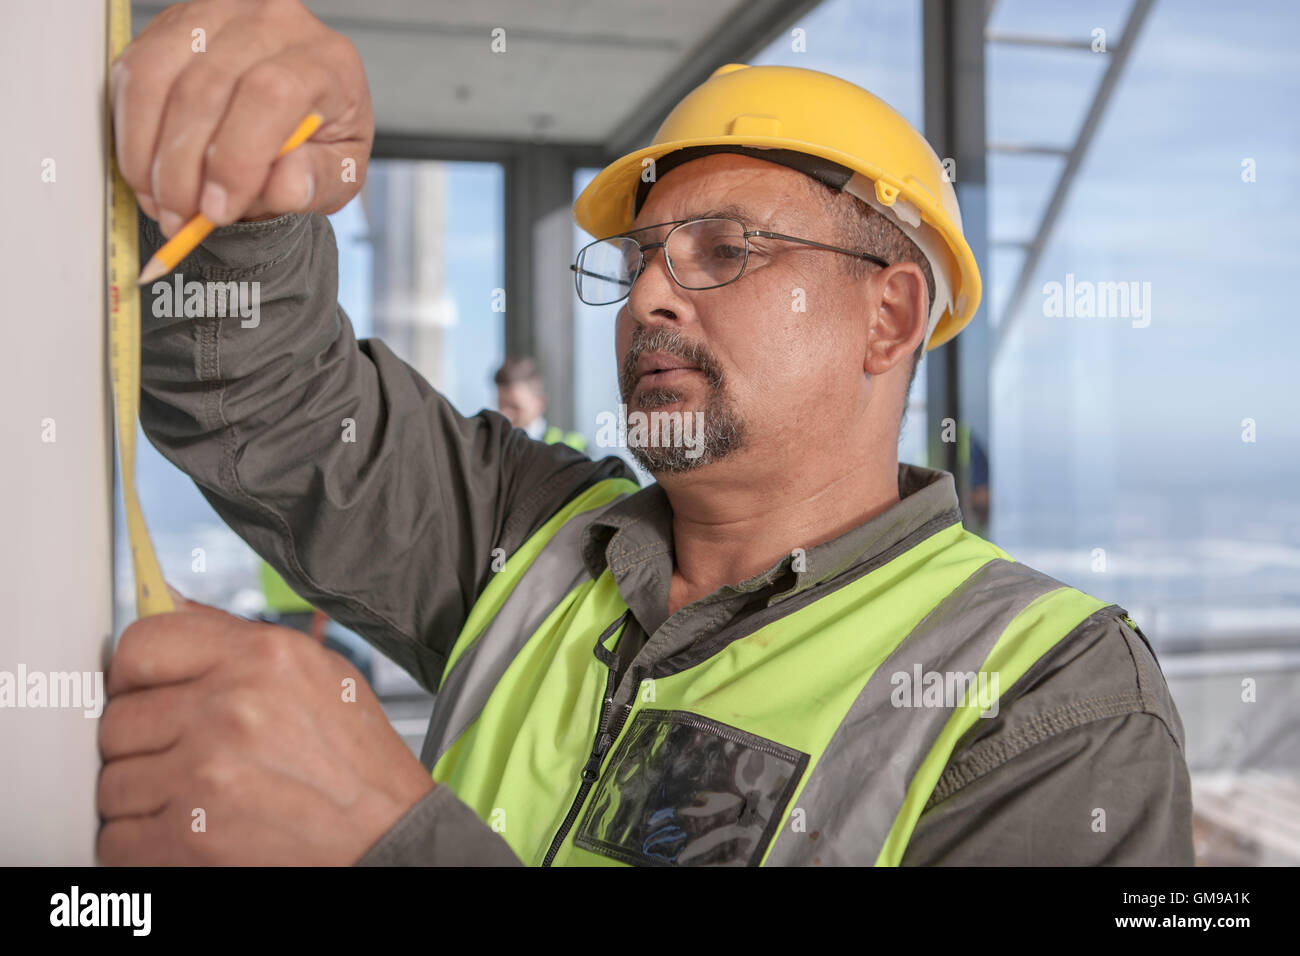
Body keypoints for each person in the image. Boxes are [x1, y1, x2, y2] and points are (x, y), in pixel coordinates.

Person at [101, 0, 1193, 866]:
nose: (649, 298)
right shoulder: (524, 535)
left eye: (724, 249)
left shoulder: (1053, 701)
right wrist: (247, 196)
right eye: (639, 260)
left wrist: (390, 842)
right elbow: (272, 403)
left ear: (889, 314)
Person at [493, 356, 587, 452]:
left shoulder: (569, 448)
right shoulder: (493, 447)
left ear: (539, 404)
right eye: (501, 405)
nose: (506, 414)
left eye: (515, 407)